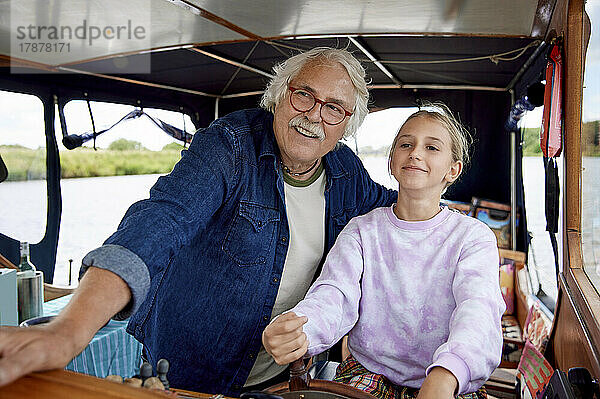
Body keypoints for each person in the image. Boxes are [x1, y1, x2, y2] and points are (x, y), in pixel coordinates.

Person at [0, 47, 396, 395]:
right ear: (279, 96)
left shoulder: (346, 171)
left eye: (333, 108)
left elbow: (399, 207)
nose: (313, 115)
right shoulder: (230, 146)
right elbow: (159, 221)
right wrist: (67, 332)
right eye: (304, 94)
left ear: (347, 124)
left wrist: (453, 213)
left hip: (281, 373)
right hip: (193, 367)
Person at [263, 104, 505, 399]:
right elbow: (333, 295)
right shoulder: (362, 231)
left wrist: (448, 373)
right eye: (406, 144)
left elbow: (478, 311)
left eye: (431, 147)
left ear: (452, 170)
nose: (415, 152)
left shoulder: (472, 237)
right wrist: (301, 329)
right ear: (392, 161)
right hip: (368, 373)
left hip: (448, 378)